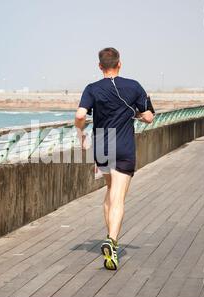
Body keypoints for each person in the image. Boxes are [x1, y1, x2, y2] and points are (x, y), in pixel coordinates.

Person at [74, 48, 153, 270]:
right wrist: (136, 113)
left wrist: (80, 133)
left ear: (100, 66)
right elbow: (149, 116)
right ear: (120, 64)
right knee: (118, 197)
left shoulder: (92, 89)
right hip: (124, 146)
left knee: (109, 192)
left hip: (102, 146)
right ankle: (112, 240)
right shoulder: (134, 86)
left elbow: (80, 115)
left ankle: (109, 236)